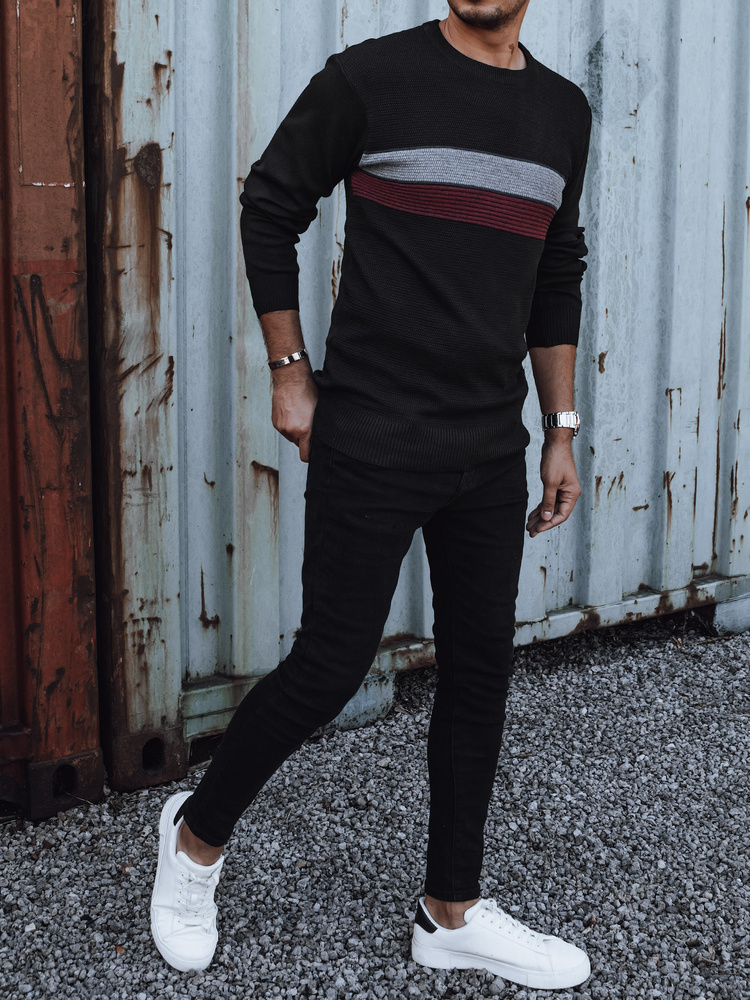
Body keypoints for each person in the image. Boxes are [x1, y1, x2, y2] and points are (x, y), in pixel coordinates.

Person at [150, 0, 592, 989]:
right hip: (374, 437)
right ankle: (192, 842)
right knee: (328, 665)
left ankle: (451, 912)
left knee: (480, 670)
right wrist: (289, 371)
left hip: (490, 449)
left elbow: (557, 268)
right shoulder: (372, 78)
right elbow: (271, 203)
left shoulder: (564, 110)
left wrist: (561, 428)